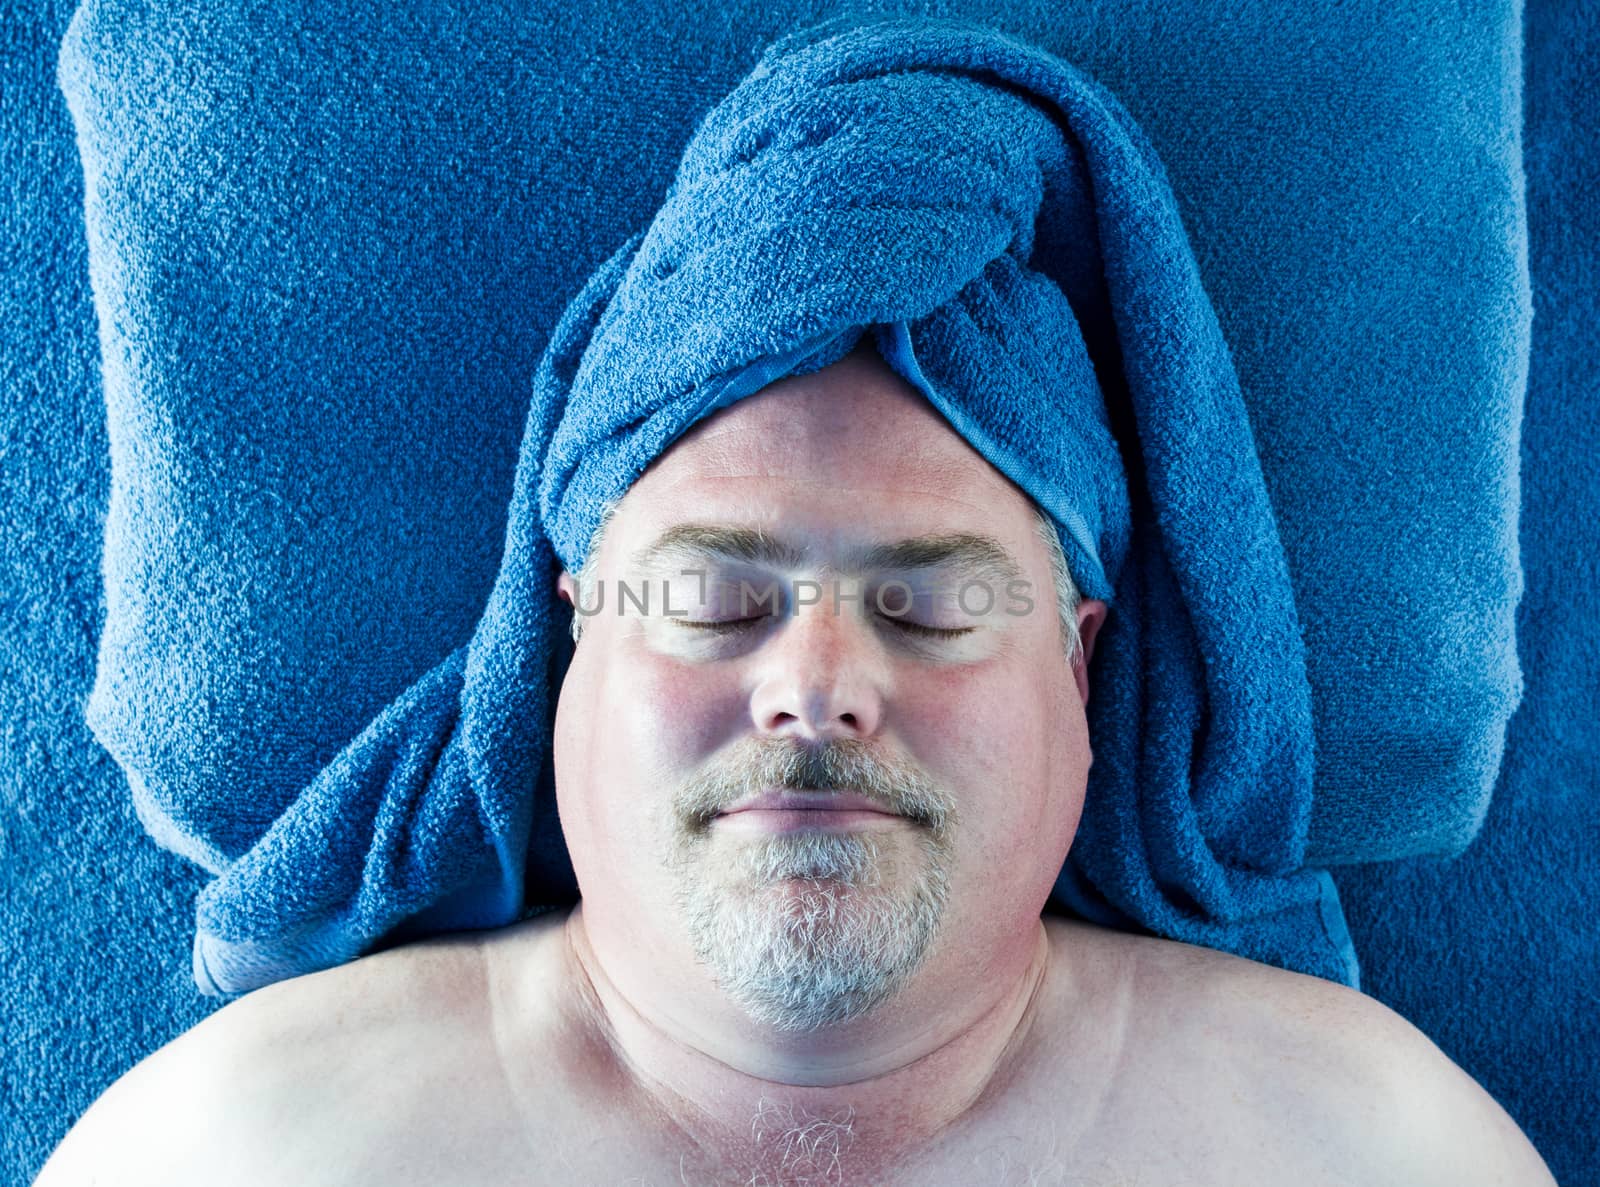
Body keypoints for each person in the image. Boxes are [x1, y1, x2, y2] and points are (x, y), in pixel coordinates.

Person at [37, 342, 1555, 1186]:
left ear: (1076, 667)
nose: (820, 686)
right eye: (713, 602)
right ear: (569, 653)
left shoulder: (1358, 1148)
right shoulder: (249, 1152)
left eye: (933, 604)